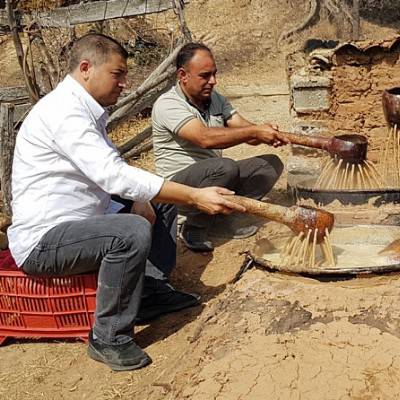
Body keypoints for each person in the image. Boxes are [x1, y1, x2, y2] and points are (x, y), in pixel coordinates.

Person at [8, 34, 244, 371]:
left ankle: (149, 292)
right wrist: (193, 195)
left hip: (80, 220)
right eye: (117, 74)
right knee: (129, 231)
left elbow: (112, 176)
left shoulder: (85, 110)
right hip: (45, 241)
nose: (124, 83)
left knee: (158, 199)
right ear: (86, 68)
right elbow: (112, 175)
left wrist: (144, 196)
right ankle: (108, 337)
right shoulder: (64, 113)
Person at [152, 42, 287, 252]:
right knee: (225, 167)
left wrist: (264, 132)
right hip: (179, 188)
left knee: (269, 165)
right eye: (205, 75)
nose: (213, 81)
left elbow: (243, 129)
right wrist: (253, 132)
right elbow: (205, 138)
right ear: (183, 75)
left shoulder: (214, 98)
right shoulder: (167, 104)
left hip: (215, 175)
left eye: (214, 74)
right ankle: (193, 226)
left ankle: (225, 219)